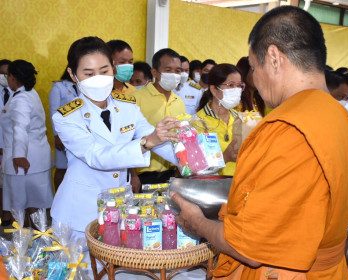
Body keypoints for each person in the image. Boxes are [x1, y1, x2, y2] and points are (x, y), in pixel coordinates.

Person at [171, 6, 348, 279]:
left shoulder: (288, 128)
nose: (253, 80)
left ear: (274, 57)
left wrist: (197, 222)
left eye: (252, 66)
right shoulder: (341, 118)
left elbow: (249, 247)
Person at [51, 37, 179, 233]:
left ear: (113, 67)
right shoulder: (66, 117)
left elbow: (156, 139)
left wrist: (191, 162)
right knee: (81, 264)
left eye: (104, 71)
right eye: (88, 73)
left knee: (116, 263)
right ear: (72, 74)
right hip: (79, 212)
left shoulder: (127, 106)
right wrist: (145, 143)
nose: (98, 78)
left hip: (119, 208)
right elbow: (96, 156)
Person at [0, 60, 54, 219]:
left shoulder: (21, 99)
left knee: (27, 207)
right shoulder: (30, 94)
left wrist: (19, 156)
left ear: (12, 77)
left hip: (25, 162)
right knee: (36, 206)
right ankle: (38, 239)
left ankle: (32, 241)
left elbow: (20, 129)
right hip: (36, 159)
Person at [133, 48, 186, 185]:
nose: (174, 75)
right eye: (168, 70)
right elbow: (126, 138)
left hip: (173, 174)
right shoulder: (135, 98)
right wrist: (132, 175)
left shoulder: (179, 102)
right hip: (143, 175)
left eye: (178, 71)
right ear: (154, 72)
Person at [196, 64, 242, 176]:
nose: (236, 90)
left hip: (240, 184)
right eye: (231, 85)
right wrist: (225, 157)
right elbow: (195, 167)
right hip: (213, 187)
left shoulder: (240, 119)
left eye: (239, 85)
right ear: (214, 90)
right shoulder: (198, 122)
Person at [48, 69, 79, 191]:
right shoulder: (58, 87)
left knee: (76, 167)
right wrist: (57, 135)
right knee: (62, 168)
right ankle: (58, 198)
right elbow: (53, 112)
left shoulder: (83, 86)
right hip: (63, 134)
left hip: (78, 134)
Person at [0, 59, 13, 225]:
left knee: (10, 182)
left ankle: (11, 213)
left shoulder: (20, 93)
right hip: (1, 145)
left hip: (14, 147)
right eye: (1, 73)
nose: (4, 77)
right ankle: (4, 214)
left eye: (7, 74)